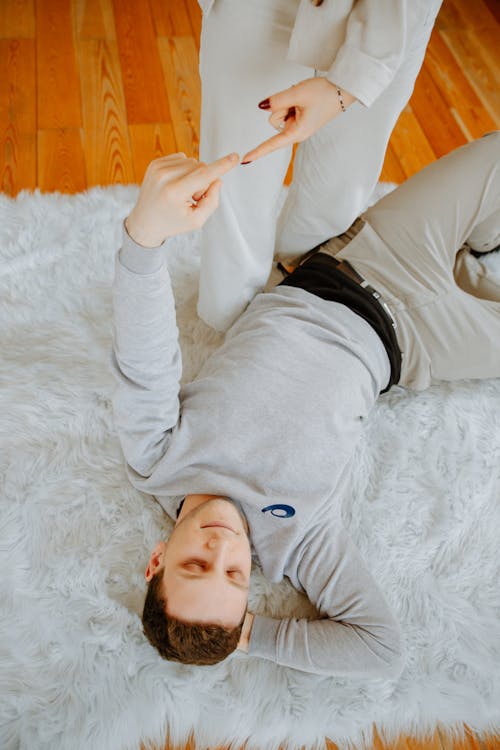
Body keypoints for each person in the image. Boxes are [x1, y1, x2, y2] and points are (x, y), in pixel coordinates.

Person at [111, 132, 500, 675]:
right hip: (420, 342)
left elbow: (143, 359)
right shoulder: (297, 545)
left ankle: (476, 257)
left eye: (196, 564)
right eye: (234, 576)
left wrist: (143, 241)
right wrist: (245, 635)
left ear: (157, 560)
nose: (223, 549)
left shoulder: (158, 458)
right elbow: (381, 649)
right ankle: (475, 266)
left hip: (364, 259)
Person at [196, 0, 443, 331]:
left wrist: (354, 81)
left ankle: (300, 299)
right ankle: (225, 326)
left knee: (340, 188)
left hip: (394, 17)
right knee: (235, 182)